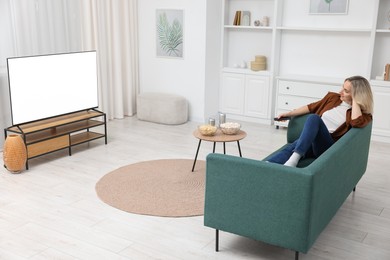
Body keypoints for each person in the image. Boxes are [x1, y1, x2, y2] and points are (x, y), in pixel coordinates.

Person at [268, 75, 374, 167]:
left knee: (314, 118)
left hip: (327, 148)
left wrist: (355, 101)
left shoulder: (363, 116)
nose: (340, 92)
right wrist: (288, 114)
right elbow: (311, 107)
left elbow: (356, 123)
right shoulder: (333, 98)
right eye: (343, 87)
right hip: (311, 140)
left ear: (356, 95)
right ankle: (266, 166)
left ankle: (293, 160)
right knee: (296, 144)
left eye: (346, 91)